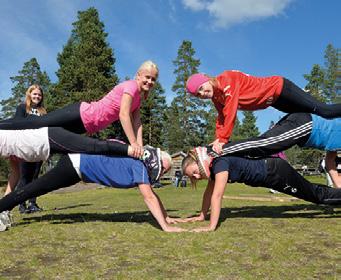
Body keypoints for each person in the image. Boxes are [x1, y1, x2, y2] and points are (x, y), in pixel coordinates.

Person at [0, 61, 159, 158]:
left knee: (47, 136)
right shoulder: (131, 87)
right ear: (138, 75)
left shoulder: (139, 98)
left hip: (85, 125)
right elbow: (124, 114)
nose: (150, 81)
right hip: (81, 113)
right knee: (38, 123)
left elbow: (138, 123)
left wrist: (140, 146)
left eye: (153, 79)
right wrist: (133, 143)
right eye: (147, 77)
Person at [0, 151, 185, 233]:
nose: (162, 173)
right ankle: (2, 208)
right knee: (33, 188)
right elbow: (149, 197)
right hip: (75, 164)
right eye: (164, 168)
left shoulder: (139, 166)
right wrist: (165, 226)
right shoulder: (140, 166)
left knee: (36, 188)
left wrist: (166, 217)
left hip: (78, 169)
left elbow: (153, 194)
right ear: (155, 162)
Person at [179, 151, 341, 232]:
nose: (196, 176)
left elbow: (217, 195)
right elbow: (208, 194)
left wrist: (211, 226)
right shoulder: (214, 166)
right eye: (192, 176)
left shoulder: (218, 164)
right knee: (312, 191)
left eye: (194, 171)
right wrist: (201, 216)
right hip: (271, 172)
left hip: (274, 172)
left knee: (315, 196)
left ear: (198, 160)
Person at [186, 71, 341, 152]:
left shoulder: (227, 80)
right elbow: (221, 117)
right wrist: (217, 138)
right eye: (198, 95)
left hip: (281, 89)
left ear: (206, 79)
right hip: (275, 101)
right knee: (303, 118)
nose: (202, 94)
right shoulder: (217, 98)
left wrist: (223, 139)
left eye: (201, 88)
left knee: (324, 111)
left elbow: (230, 112)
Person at [0, 127, 162, 197]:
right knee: (32, 185)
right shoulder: (24, 111)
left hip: (47, 148)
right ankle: (12, 204)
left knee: (34, 184)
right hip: (48, 147)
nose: (37, 96)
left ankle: (16, 204)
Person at [192, 112, 341, 188]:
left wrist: (338, 187)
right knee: (261, 146)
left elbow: (330, 162)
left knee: (259, 148)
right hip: (307, 125)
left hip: (302, 126)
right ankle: (209, 151)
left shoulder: (335, 142)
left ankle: (216, 152)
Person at [14, 85, 47, 213]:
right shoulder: (22, 108)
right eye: (35, 94)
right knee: (24, 177)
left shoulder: (43, 111)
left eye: (39, 95)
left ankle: (33, 204)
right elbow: (16, 125)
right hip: (25, 147)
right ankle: (21, 205)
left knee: (34, 177)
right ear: (29, 94)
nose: (37, 97)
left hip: (39, 147)